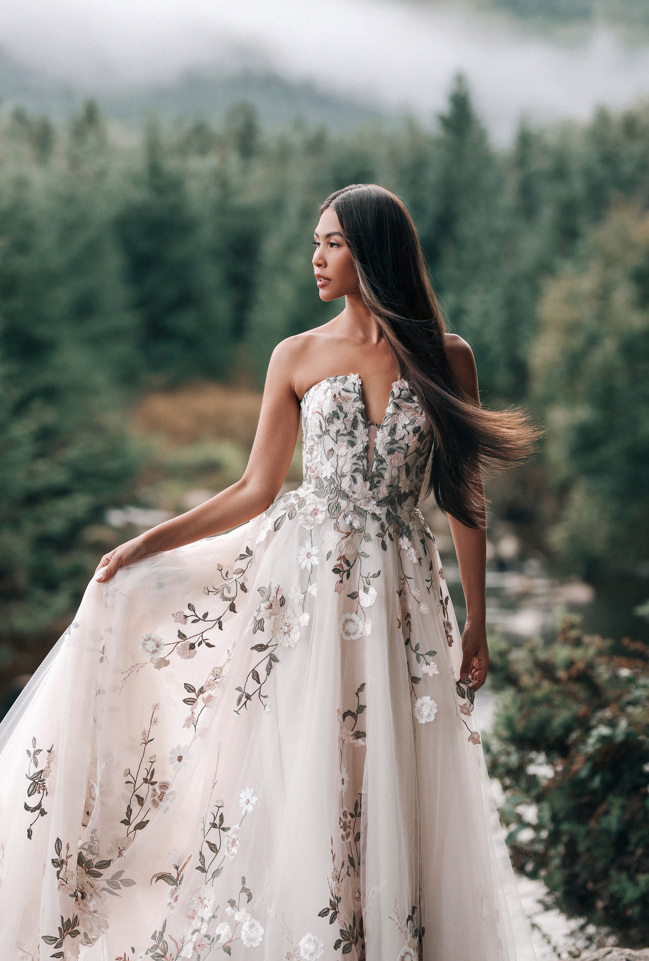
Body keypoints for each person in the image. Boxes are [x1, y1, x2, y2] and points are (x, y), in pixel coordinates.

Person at [0, 184, 539, 960]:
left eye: (332, 243)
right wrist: (147, 544)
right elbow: (255, 488)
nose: (315, 258)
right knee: (305, 761)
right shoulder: (295, 355)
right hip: (304, 589)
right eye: (315, 242)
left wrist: (478, 618)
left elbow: (463, 495)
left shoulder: (448, 357)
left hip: (402, 594)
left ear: (373, 251)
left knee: (393, 765)